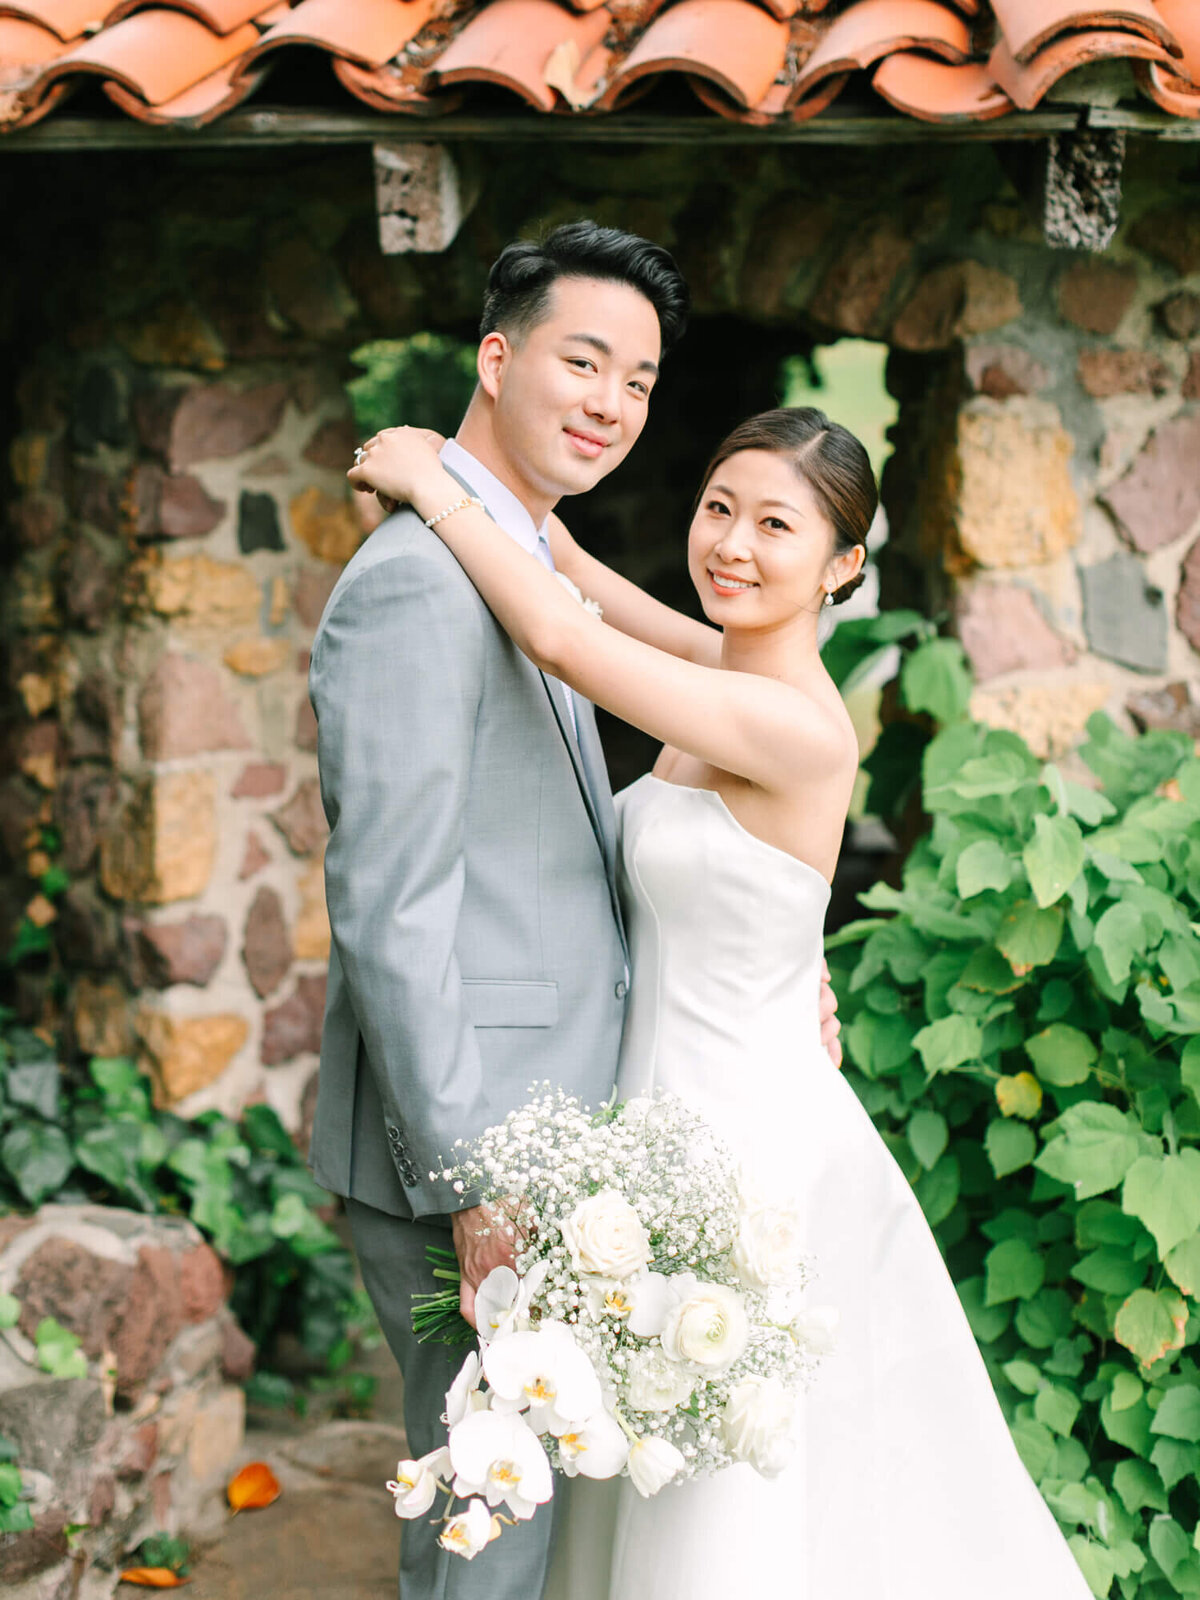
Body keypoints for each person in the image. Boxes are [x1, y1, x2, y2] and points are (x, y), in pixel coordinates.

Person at [348, 405, 1094, 1600]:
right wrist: (496, 486)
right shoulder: (722, 666)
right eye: (719, 508)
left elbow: (553, 632)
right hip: (652, 1107)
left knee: (712, 1477)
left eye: (777, 524)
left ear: (845, 564)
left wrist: (426, 478)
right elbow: (572, 576)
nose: (734, 543)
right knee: (637, 1445)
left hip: (740, 1145)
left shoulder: (786, 721)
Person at [307, 222, 841, 1600]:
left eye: (641, 380)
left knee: (528, 1513)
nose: (611, 402)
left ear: (841, 565)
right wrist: (471, 1176)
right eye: (583, 360)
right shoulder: (425, 586)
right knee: (492, 1521)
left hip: (578, 1134)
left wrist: (783, 962)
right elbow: (392, 906)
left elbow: (580, 634)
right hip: (474, 1144)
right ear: (497, 357)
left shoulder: (523, 562)